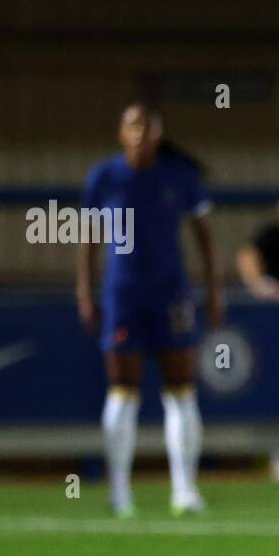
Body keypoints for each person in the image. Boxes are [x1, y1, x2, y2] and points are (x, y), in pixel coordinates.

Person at [76, 103, 223, 517]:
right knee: (123, 392)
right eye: (131, 125)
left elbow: (205, 239)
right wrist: (85, 293)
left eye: (146, 125)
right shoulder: (104, 177)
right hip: (122, 296)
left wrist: (214, 291)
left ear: (158, 132)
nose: (139, 131)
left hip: (171, 296)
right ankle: (120, 493)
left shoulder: (179, 176)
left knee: (181, 391)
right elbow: (88, 239)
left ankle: (185, 489)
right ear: (121, 133)